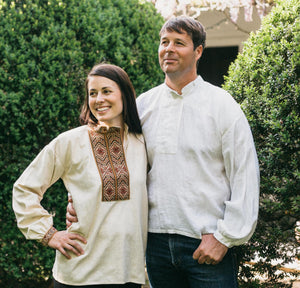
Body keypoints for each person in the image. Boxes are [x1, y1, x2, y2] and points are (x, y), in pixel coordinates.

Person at [67, 16, 260, 288]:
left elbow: (245, 174)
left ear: (198, 52)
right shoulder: (142, 106)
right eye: (164, 42)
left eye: (179, 43)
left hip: (206, 243)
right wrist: (77, 202)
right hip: (154, 244)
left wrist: (224, 237)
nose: (168, 49)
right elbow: (106, 158)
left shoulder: (222, 106)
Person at [12, 63, 148, 288]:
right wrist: (50, 234)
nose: (99, 99)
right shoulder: (70, 142)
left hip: (127, 273)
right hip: (78, 274)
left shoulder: (142, 142)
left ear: (124, 94)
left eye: (106, 91)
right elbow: (24, 189)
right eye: (92, 93)